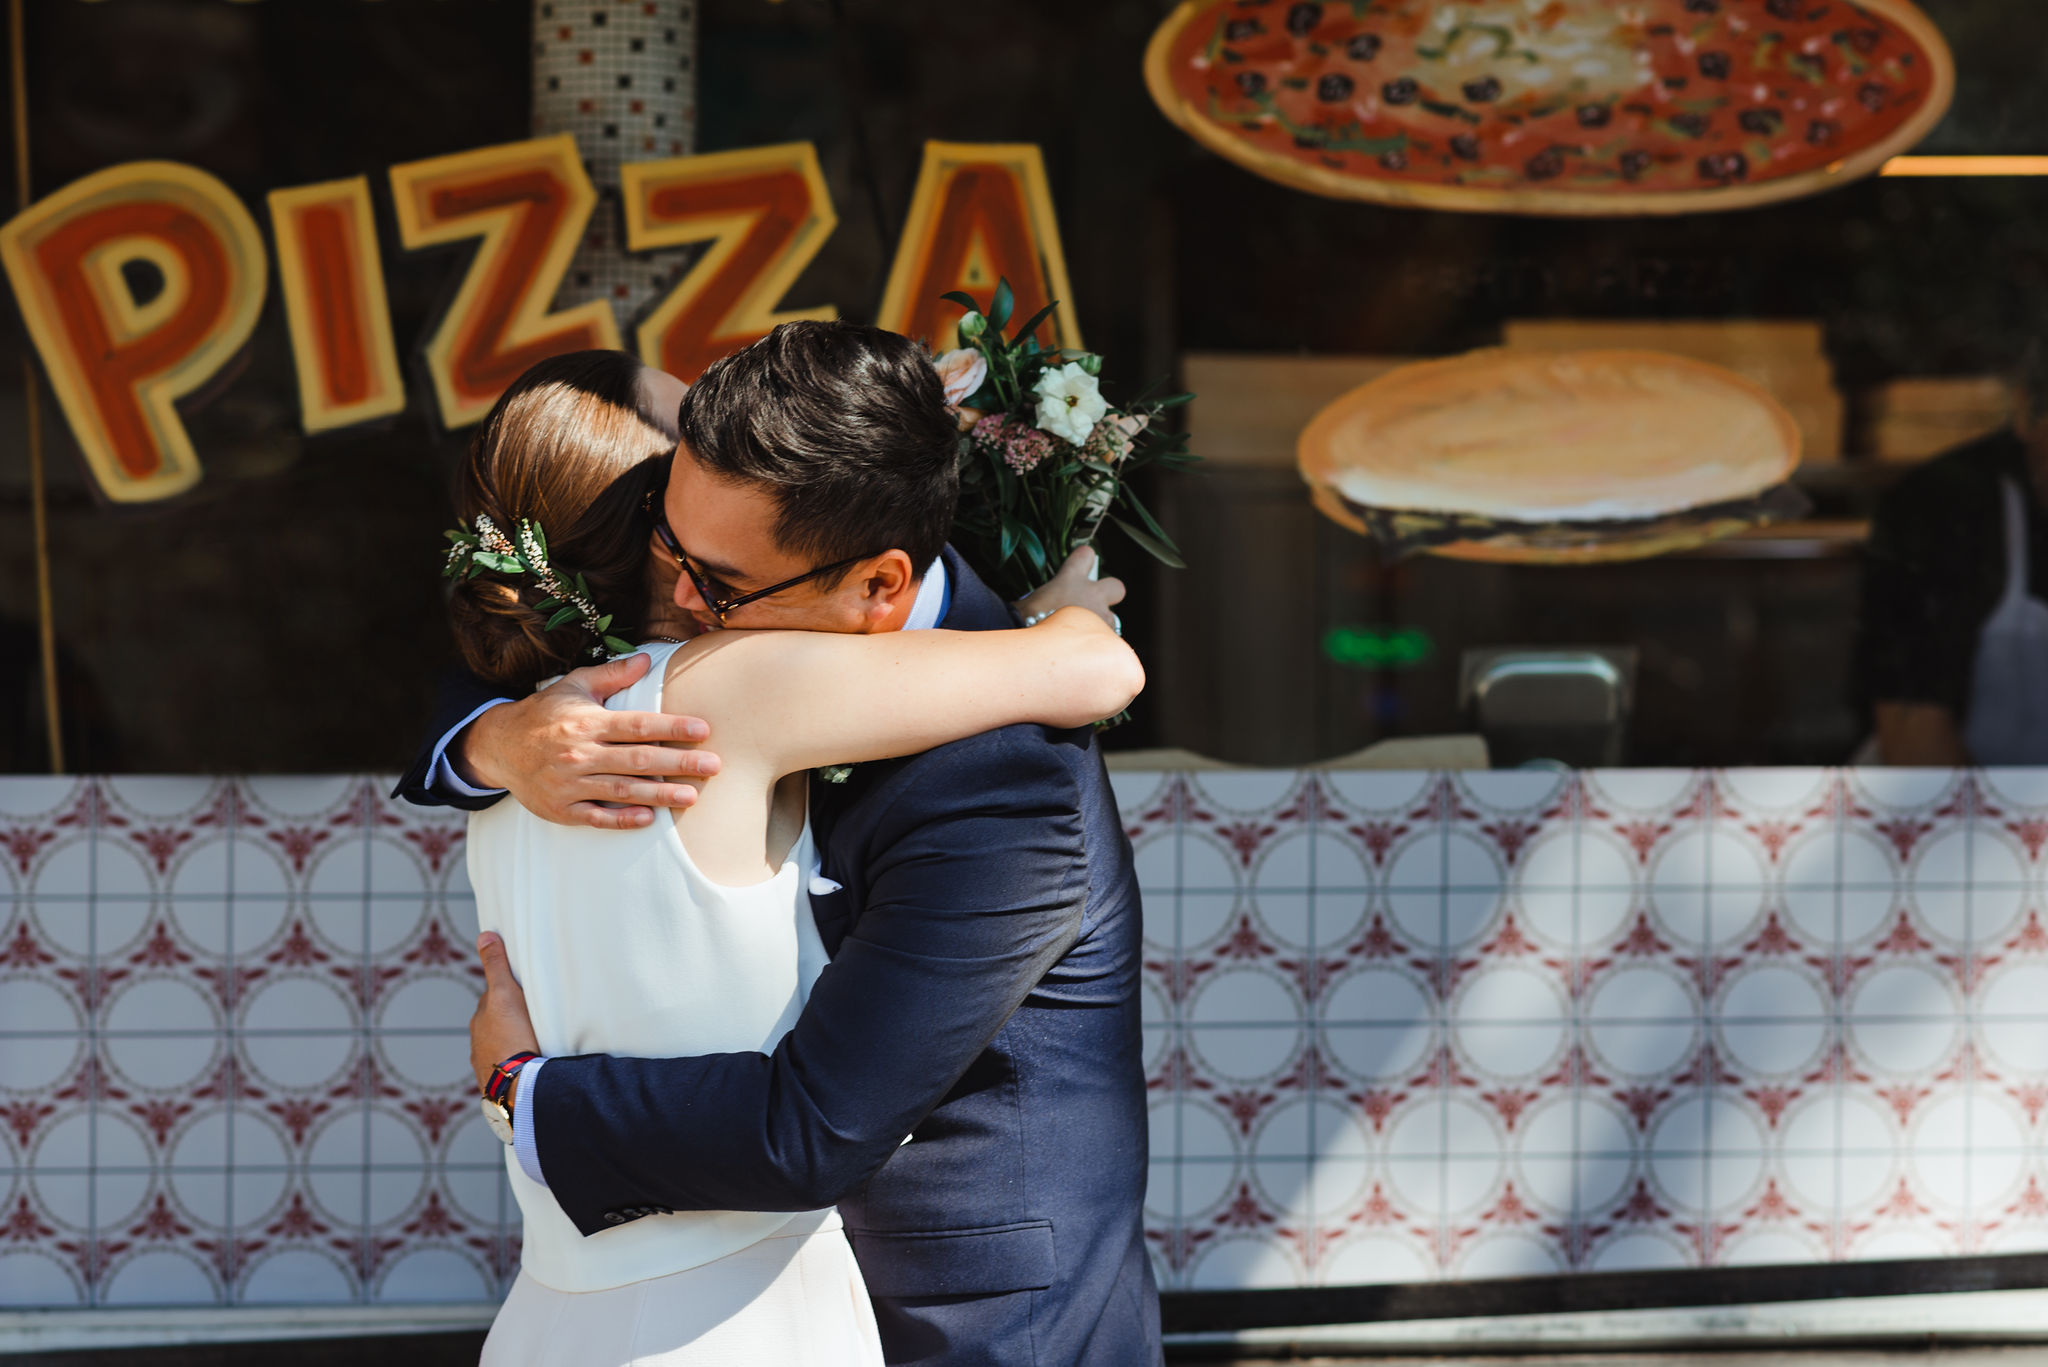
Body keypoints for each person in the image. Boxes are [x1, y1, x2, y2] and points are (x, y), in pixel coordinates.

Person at [408, 324, 1164, 1366]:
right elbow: (512, 643)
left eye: (713, 584)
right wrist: (484, 740)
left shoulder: (1001, 772)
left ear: (879, 590)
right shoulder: (600, 693)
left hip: (967, 1328)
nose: (674, 601)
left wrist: (525, 1093)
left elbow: (812, 1124)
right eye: (655, 541)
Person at [1859, 344, 2048, 765]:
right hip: (1952, 818)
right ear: (2025, 413)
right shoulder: (1941, 506)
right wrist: (2006, 832)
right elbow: (1913, 737)